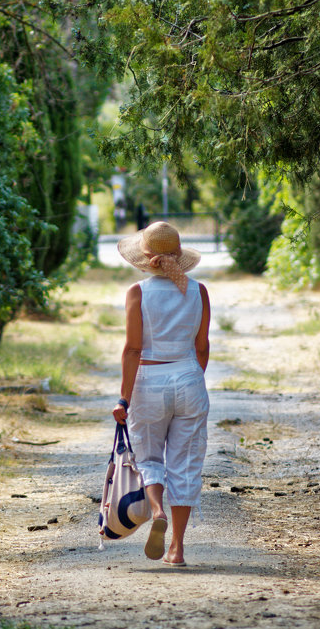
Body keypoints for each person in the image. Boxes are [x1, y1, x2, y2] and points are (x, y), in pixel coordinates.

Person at [112, 221, 210, 566]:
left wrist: (124, 398)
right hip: (188, 378)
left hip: (149, 381)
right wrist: (191, 380)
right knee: (185, 464)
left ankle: (157, 512)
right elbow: (202, 348)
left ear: (145, 258)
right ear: (179, 257)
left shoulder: (138, 292)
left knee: (149, 458)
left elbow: (132, 350)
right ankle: (178, 549)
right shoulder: (198, 291)